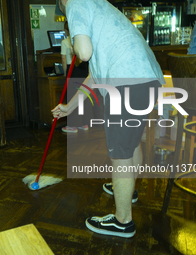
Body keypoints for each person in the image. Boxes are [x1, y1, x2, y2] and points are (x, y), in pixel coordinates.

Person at [53, 0, 165, 238]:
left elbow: (84, 52)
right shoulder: (100, 7)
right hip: (147, 78)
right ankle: (129, 190)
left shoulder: (74, 2)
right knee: (130, 143)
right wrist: (69, 107)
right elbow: (95, 75)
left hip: (126, 81)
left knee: (119, 152)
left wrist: (74, 43)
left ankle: (123, 221)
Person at [60, 21, 89, 133]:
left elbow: (63, 59)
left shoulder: (65, 42)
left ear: (66, 30)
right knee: (83, 95)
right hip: (83, 69)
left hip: (72, 69)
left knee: (72, 96)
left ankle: (73, 125)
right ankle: (84, 123)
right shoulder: (82, 40)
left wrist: (64, 73)